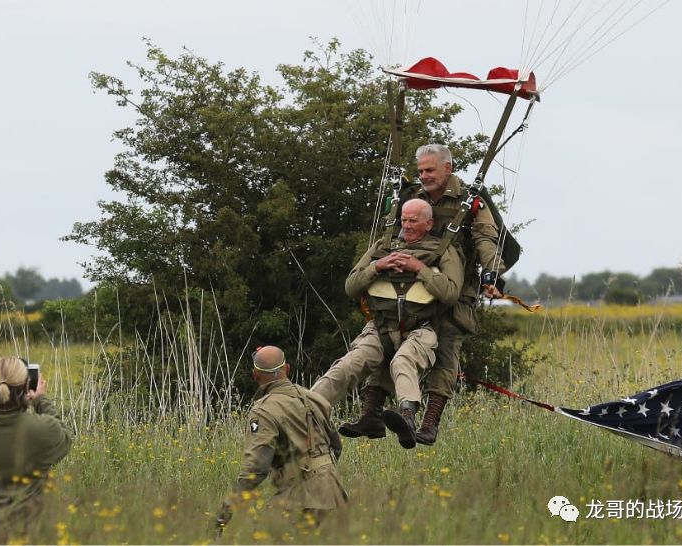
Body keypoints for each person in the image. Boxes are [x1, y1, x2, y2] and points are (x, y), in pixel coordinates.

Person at [340, 143, 510, 446]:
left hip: (451, 287)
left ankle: (429, 423)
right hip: (406, 286)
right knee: (386, 337)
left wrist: (492, 274)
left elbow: (486, 239)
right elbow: (393, 234)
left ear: (448, 167)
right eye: (420, 171)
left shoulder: (470, 201)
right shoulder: (411, 197)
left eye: (429, 170)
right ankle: (371, 414)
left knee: (445, 347)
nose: (424, 176)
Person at [311, 198, 464, 448]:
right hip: (380, 326)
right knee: (349, 364)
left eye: (413, 220)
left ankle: (406, 416)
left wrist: (419, 268)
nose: (407, 225)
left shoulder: (443, 250)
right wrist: (378, 266)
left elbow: (450, 293)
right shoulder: (383, 246)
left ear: (429, 223)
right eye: (404, 219)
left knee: (403, 361)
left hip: (421, 327)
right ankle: (306, 409)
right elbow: (351, 286)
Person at [215, 346, 347, 531]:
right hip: (335, 491)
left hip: (301, 497)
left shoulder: (263, 411)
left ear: (255, 375)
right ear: (287, 369)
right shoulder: (315, 399)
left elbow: (256, 468)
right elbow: (336, 446)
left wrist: (227, 509)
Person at [0, 357, 73, 544]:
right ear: (26, 386)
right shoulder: (42, 429)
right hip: (29, 530)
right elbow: (64, 437)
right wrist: (40, 400)